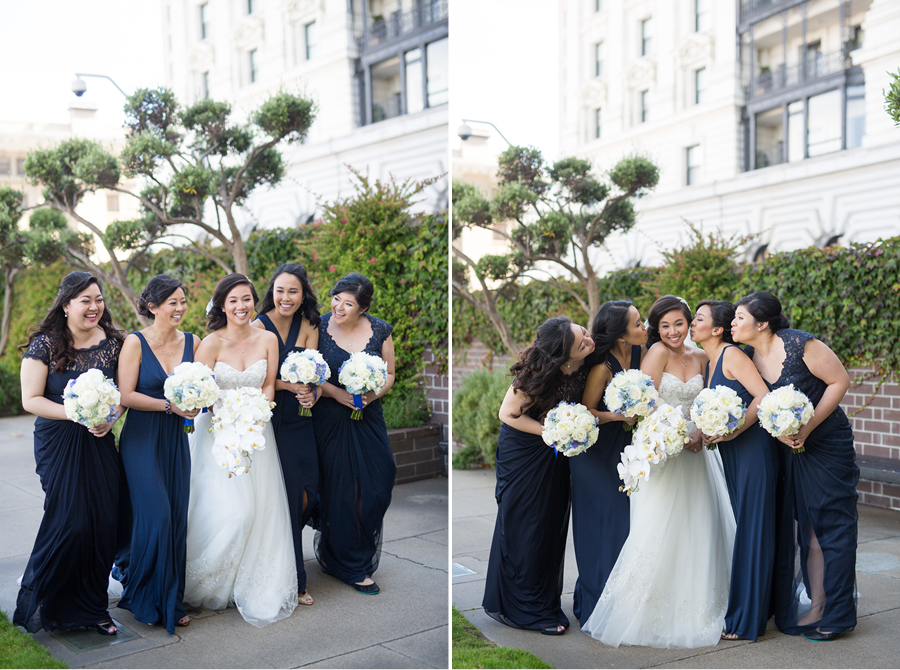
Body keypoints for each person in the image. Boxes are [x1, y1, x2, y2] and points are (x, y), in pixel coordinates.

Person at [582, 295, 737, 648]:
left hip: (698, 454)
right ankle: (652, 611)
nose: (672, 331)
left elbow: (710, 401)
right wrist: (672, 435)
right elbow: (645, 406)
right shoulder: (656, 354)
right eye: (664, 325)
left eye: (679, 323)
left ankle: (704, 605)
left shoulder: (702, 357)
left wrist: (701, 431)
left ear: (689, 324)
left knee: (701, 524)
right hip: (662, 452)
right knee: (658, 527)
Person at [733, 291, 858, 642]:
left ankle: (839, 615)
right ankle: (817, 605)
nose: (733, 323)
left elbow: (840, 381)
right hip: (790, 449)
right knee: (809, 533)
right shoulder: (748, 356)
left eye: (740, 317)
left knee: (833, 525)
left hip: (827, 444)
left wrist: (809, 426)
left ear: (762, 323)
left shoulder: (801, 344)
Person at [14, 271, 125, 635]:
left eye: (99, 299)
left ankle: (95, 610)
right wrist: (75, 412)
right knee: (71, 522)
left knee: (103, 523)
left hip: (98, 440)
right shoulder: (45, 345)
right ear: (65, 305)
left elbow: (122, 394)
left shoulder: (114, 342)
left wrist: (109, 418)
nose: (94, 307)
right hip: (58, 440)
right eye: (85, 301)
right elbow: (31, 399)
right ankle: (55, 605)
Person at [184, 273, 297, 627]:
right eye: (233, 300)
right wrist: (228, 419)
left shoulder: (267, 339)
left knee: (262, 512)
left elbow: (268, 386)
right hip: (217, 438)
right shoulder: (210, 343)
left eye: (246, 299)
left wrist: (255, 417)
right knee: (231, 513)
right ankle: (205, 581)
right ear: (221, 305)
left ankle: (246, 582)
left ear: (254, 301)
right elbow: (200, 392)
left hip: (257, 435)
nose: (241, 306)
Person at [483, 317, 597, 635]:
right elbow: (507, 414)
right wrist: (552, 432)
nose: (588, 340)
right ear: (562, 355)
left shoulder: (590, 361)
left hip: (555, 451)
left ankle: (543, 600)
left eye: (583, 332)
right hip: (524, 451)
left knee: (550, 522)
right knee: (527, 526)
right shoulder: (537, 371)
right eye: (580, 343)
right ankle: (526, 609)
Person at [114, 275, 199, 633]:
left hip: (176, 441)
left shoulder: (193, 342)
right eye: (172, 302)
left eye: (183, 301)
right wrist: (169, 406)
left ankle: (171, 599)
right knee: (158, 516)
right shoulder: (135, 342)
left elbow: (205, 386)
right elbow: (126, 394)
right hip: (141, 441)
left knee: (176, 518)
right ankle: (146, 597)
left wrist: (198, 402)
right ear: (153, 307)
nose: (180, 308)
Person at [692, 300, 778, 642]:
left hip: (753, 452)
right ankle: (754, 609)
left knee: (752, 533)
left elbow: (763, 396)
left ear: (716, 329)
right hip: (732, 454)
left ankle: (747, 620)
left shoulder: (731, 355)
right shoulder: (711, 360)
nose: (691, 323)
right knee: (745, 528)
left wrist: (733, 430)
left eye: (698, 318)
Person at [312, 273, 396, 594]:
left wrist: (371, 396)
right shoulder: (317, 326)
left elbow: (389, 373)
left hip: (368, 416)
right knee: (341, 491)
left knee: (381, 480)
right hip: (330, 418)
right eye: (336, 299)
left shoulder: (380, 330)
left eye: (348, 304)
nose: (338, 307)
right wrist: (337, 393)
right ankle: (351, 564)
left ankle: (349, 552)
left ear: (362, 308)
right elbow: (309, 370)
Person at [573, 301, 646, 624]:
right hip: (597, 453)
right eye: (638, 323)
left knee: (626, 526)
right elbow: (587, 411)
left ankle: (623, 601)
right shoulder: (602, 366)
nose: (644, 327)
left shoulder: (643, 352)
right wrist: (620, 415)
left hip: (628, 450)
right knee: (603, 526)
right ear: (620, 335)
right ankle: (596, 602)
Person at [252, 263, 320, 606]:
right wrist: (289, 385)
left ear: (303, 294)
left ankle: (288, 561)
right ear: (272, 292)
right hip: (270, 417)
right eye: (280, 290)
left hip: (301, 419)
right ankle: (295, 579)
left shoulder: (308, 325)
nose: (286, 297)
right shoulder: (258, 325)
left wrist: (312, 392)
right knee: (285, 499)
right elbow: (257, 378)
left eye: (293, 291)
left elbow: (315, 371)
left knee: (309, 494)